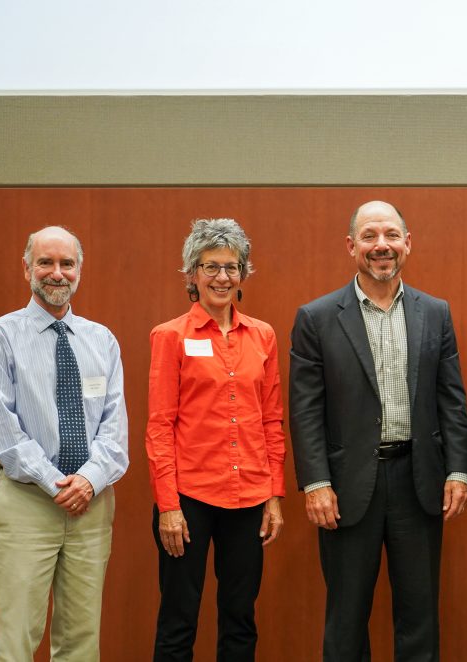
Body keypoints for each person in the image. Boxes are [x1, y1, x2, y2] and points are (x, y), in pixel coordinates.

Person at [290, 200, 467, 661]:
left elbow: (452, 398)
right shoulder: (317, 317)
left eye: (391, 235)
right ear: (352, 247)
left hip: (419, 482)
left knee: (419, 617)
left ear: (407, 244)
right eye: (369, 236)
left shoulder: (435, 313)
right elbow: (306, 409)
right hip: (347, 489)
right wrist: (315, 483)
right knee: (347, 619)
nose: (381, 246)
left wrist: (458, 472)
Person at [0, 225, 129, 660]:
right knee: (16, 640)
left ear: (80, 271)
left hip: (91, 507)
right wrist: (58, 483)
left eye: (67, 263)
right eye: (46, 262)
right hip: (26, 502)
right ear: (27, 269)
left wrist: (88, 481)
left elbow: (115, 433)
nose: (56, 273)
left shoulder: (102, 341)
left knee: (81, 643)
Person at [147, 218, 285, 661]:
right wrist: (168, 506)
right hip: (188, 498)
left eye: (232, 267)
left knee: (241, 619)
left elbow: (272, 422)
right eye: (211, 267)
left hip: (248, 498)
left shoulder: (262, 335)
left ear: (243, 274)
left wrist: (274, 495)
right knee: (178, 619)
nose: (222, 277)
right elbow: (159, 426)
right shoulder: (170, 336)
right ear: (192, 274)